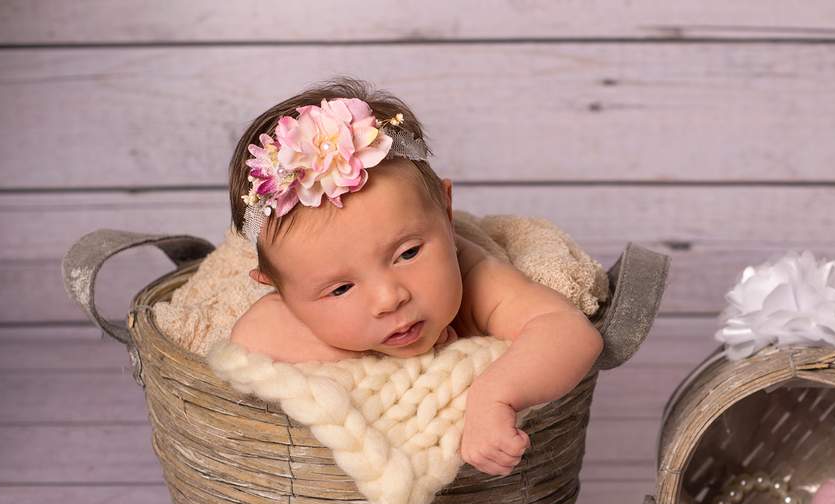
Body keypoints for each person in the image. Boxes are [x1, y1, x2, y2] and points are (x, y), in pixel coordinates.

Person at [227, 78, 603, 477]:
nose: (389, 298)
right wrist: (368, 353)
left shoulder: (476, 276)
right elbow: (249, 340)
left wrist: (495, 397)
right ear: (279, 291)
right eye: (340, 288)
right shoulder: (289, 301)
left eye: (407, 253)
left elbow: (568, 331)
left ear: (446, 209)